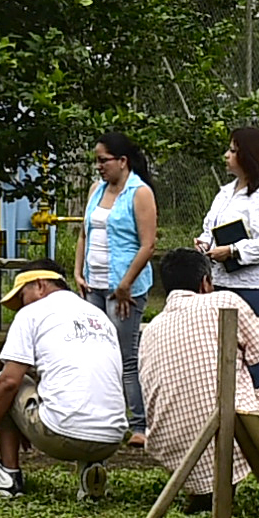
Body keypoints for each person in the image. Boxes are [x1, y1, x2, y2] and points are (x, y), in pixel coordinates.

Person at [137, 246, 259, 510]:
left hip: (169, 445)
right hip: (228, 435)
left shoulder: (152, 328)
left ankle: (202, 491)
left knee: (204, 401)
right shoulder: (225, 302)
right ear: (205, 282)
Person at [0, 266, 132, 501]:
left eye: (23, 297)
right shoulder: (99, 317)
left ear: (40, 285)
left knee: (1, 384)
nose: (22, 307)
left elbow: (9, 383)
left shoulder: (32, 313)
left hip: (60, 435)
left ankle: (8, 476)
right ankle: (90, 474)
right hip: (112, 439)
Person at [79, 132, 162, 429]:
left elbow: (147, 244)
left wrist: (126, 284)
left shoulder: (140, 193)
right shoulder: (96, 190)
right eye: (96, 162)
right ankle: (102, 416)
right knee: (96, 353)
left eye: (104, 161)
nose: (99, 167)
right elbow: (84, 232)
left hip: (123, 289)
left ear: (122, 161)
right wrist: (79, 271)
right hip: (94, 284)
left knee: (125, 355)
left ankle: (139, 423)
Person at [196, 123, 259, 365]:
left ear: (250, 155)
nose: (227, 156)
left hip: (254, 289)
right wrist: (205, 243)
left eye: (233, 151)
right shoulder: (225, 192)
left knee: (255, 359)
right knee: (224, 357)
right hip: (221, 283)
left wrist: (233, 251)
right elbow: (209, 228)